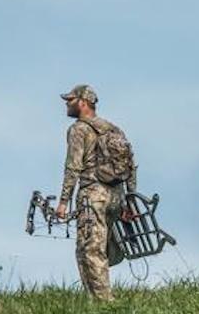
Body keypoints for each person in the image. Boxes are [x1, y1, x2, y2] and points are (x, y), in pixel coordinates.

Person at [54, 85, 137, 301]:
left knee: (91, 250)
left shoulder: (78, 130)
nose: (66, 103)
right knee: (93, 248)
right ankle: (95, 300)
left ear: (83, 102)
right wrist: (130, 201)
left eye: (70, 100)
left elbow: (73, 167)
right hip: (116, 198)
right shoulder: (114, 129)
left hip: (93, 197)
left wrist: (64, 202)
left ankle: (105, 304)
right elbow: (131, 166)